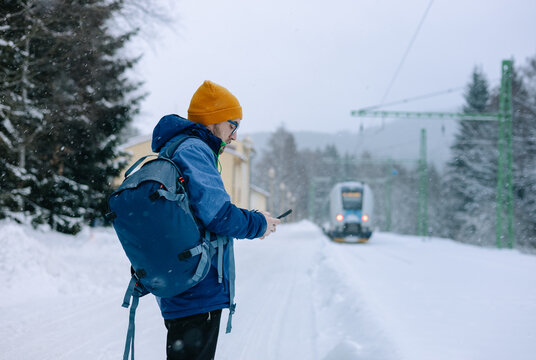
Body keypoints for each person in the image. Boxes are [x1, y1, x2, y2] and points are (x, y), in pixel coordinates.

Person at [150, 80, 281, 360]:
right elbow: (219, 216)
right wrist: (259, 223)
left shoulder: (178, 148)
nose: (234, 135)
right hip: (196, 286)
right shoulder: (194, 150)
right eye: (233, 124)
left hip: (184, 282)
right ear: (214, 120)